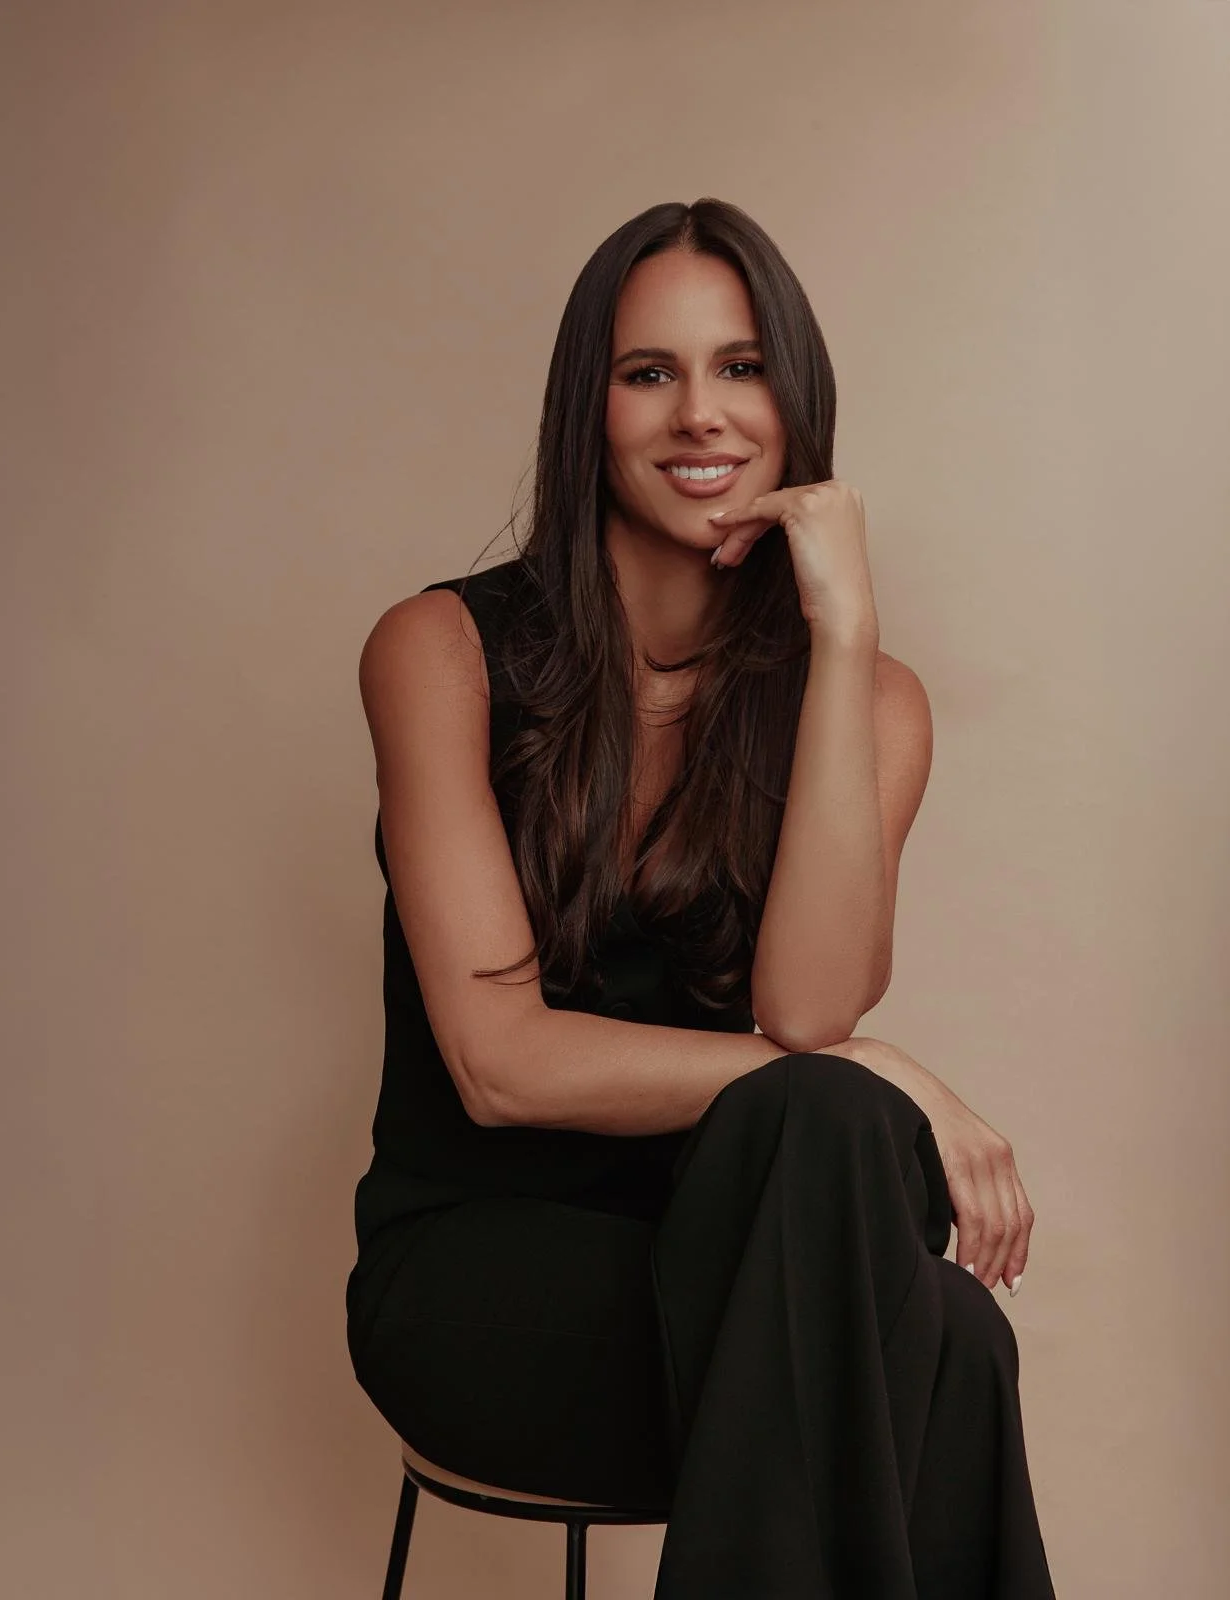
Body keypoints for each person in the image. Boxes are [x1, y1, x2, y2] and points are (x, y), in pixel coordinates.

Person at [345, 197, 1057, 1598]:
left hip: (737, 1256)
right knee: (910, 1284)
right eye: (647, 373)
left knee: (922, 1292)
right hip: (488, 1281)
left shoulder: (874, 704)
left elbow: (803, 1006)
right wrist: (875, 1072)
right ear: (587, 409)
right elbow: (498, 1066)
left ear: (795, 404)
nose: (700, 417)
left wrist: (840, 635)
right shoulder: (443, 651)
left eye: (740, 369)